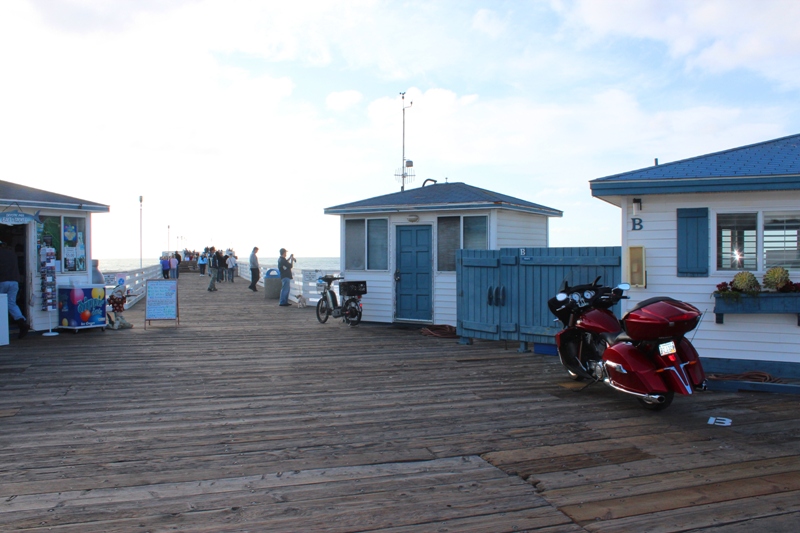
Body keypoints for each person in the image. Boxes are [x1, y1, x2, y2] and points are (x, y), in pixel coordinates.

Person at [0, 240, 30, 339]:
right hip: (14, 281)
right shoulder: (12, 254)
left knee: (1, 304)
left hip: (2, 281)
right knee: (11, 303)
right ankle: (21, 322)